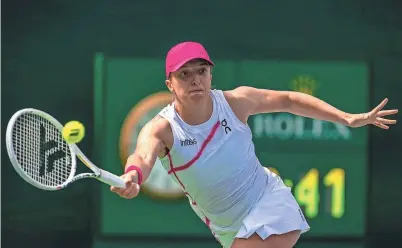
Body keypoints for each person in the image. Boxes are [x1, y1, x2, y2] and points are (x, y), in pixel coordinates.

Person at [111, 41, 398, 248]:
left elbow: (288, 100)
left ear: (211, 75)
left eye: (201, 71)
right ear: (170, 84)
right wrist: (133, 175)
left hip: (266, 199)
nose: (195, 79)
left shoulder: (236, 102)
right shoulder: (161, 128)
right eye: (184, 74)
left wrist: (346, 118)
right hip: (224, 224)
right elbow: (142, 155)